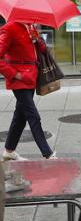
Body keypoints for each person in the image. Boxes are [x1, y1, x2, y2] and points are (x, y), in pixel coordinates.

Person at [0, 21, 56, 161]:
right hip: (19, 80)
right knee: (33, 116)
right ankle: (47, 153)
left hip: (31, 78)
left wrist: (37, 40)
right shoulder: (10, 28)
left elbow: (43, 51)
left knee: (20, 117)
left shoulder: (31, 27)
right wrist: (15, 74)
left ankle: (9, 150)